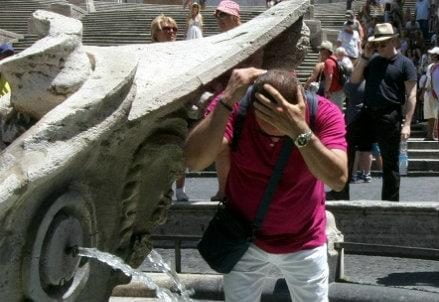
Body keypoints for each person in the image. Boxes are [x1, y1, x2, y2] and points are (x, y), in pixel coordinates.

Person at [185, 68, 347, 301]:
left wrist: (298, 130)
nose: (274, 132)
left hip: (304, 240)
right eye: (266, 121)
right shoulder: (237, 109)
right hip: (245, 238)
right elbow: (194, 159)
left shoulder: (322, 112)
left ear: (299, 105)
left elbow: (338, 179)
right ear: (253, 105)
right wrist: (227, 98)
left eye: (281, 123)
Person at [351, 23, 417, 201]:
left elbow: (411, 95)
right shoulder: (372, 60)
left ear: (394, 41)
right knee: (346, 142)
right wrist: (365, 55)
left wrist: (407, 124)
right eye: (377, 44)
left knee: (390, 162)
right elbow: (354, 80)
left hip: (390, 115)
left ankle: (390, 202)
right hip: (367, 113)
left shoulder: (405, 64)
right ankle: (340, 191)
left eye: (382, 44)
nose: (378, 47)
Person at [151, 15, 189, 201]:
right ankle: (161, 191)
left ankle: (181, 189)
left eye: (174, 28)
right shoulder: (150, 54)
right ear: (156, 33)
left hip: (180, 104)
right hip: (158, 106)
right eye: (166, 29)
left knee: (181, 148)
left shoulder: (183, 52)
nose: (172, 32)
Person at [209, 0, 242, 201]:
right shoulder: (219, 40)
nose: (219, 19)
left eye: (223, 15)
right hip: (224, 97)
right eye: (218, 16)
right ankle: (223, 190)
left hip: (245, 95)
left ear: (235, 17)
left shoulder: (250, 35)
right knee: (221, 147)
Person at [319, 41, 345, 110]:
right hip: (339, 90)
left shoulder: (328, 61)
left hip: (333, 92)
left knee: (333, 110)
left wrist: (326, 91)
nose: (320, 52)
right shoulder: (335, 59)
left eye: (321, 49)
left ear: (325, 51)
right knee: (338, 109)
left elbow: (329, 77)